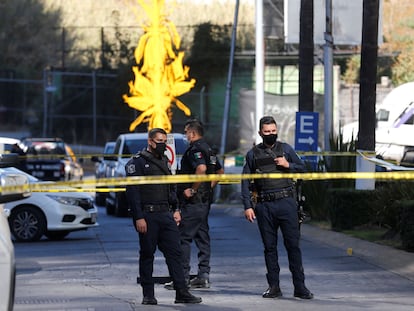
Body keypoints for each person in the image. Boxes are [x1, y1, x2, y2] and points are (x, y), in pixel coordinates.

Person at [125, 128, 202, 305]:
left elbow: (171, 188)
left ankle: (181, 292)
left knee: (175, 253)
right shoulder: (136, 163)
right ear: (150, 141)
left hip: (166, 214)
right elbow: (133, 193)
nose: (163, 144)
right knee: (147, 255)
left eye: (165, 141)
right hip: (148, 215)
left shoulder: (165, 161)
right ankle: (148, 295)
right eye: (159, 141)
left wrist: (175, 209)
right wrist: (138, 217)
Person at [241, 116, 314, 300]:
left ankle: (300, 287)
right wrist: (248, 206)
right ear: (260, 133)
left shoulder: (286, 149)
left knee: (293, 246)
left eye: (273, 131)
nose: (271, 134)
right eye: (267, 132)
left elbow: (303, 170)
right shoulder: (253, 154)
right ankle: (274, 287)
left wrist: (288, 165)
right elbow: (245, 182)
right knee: (269, 248)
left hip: (286, 203)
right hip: (265, 205)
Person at [166, 119, 224, 290]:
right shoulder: (209, 149)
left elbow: (201, 169)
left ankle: (182, 278)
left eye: (186, 132)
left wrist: (193, 189)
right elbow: (219, 172)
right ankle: (203, 276)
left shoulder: (195, 150)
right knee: (202, 237)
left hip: (193, 203)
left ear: (192, 133)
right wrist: (208, 188)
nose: (185, 135)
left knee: (183, 238)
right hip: (204, 202)